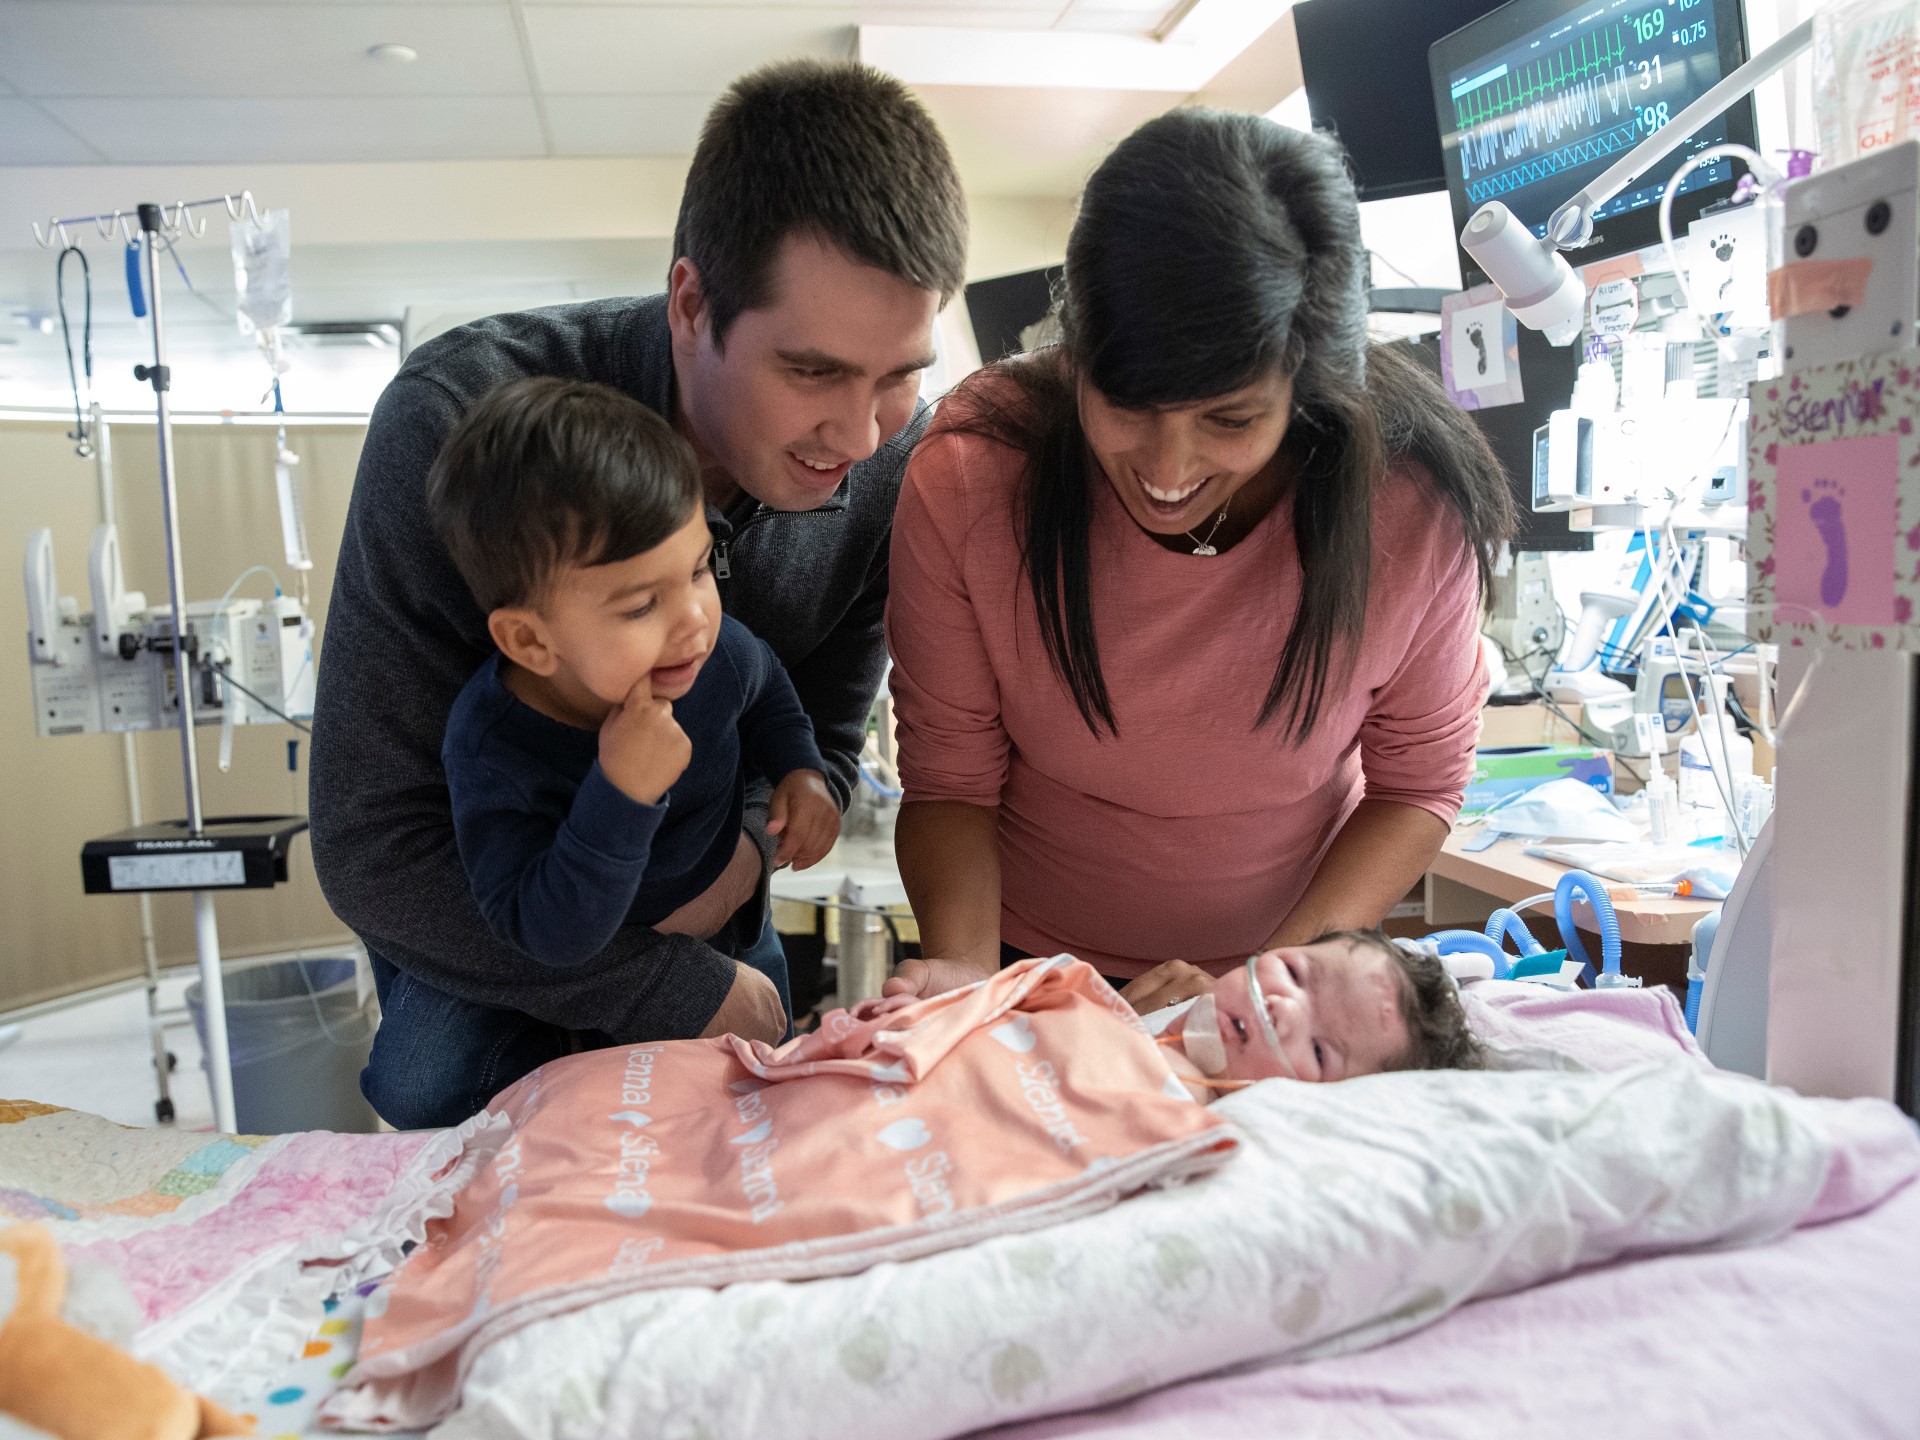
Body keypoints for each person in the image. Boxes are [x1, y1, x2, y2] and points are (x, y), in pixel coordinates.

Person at [310, 60, 968, 1131]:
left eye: (897, 374)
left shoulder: (896, 465)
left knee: (745, 1140)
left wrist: (745, 858)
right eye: (811, 372)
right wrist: (665, 983)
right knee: (443, 1080)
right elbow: (374, 849)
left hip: (707, 883)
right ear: (691, 302)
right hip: (497, 910)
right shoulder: (458, 433)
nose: (858, 439)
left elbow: (825, 741)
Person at [883, 108, 1514, 1006]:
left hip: (1281, 971)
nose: (1168, 471)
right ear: (1076, 355)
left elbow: (1418, 785)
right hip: (1027, 960)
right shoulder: (975, 475)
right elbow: (950, 778)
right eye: (1127, 404)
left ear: (1310, 391)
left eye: (1230, 419)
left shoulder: (1409, 504)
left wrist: (1259, 992)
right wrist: (973, 996)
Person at [428, 377, 839, 1068]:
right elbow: (545, 934)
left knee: (768, 1082)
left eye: (701, 569)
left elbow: (765, 683)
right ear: (530, 642)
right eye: (641, 604)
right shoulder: (492, 749)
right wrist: (621, 793)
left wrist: (802, 768)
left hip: (736, 930)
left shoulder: (710, 655)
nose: (696, 621)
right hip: (593, 981)